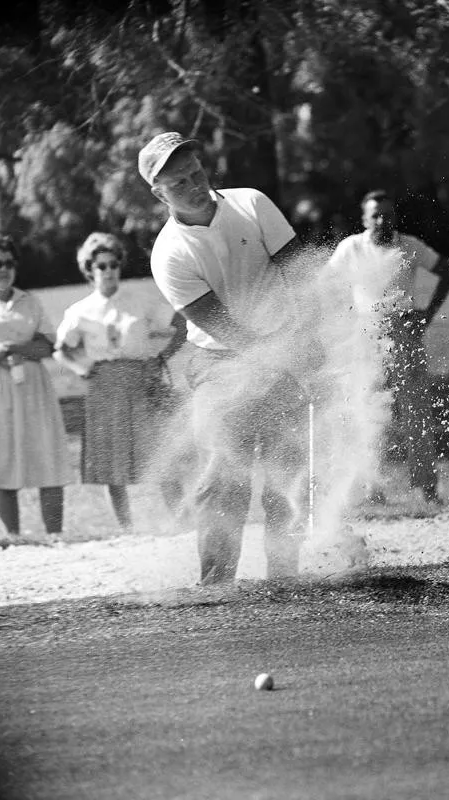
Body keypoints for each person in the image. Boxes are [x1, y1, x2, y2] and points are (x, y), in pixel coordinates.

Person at [138, 131, 320, 584]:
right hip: (220, 363)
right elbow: (220, 324)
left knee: (287, 471)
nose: (194, 185)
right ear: (158, 192)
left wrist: (306, 338)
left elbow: (298, 272)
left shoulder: (252, 204)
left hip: (285, 346)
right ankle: (216, 586)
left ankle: (285, 578)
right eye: (179, 182)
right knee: (222, 474)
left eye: (196, 172)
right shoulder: (169, 254)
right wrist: (279, 354)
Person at [329, 189, 449, 504]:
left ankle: (427, 488)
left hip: (404, 331)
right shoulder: (351, 249)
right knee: (369, 411)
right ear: (364, 219)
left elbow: (446, 271)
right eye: (376, 215)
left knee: (417, 411)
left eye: (388, 214)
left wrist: (427, 314)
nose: (382, 221)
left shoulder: (409, 246)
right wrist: (345, 318)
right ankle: (372, 489)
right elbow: (326, 285)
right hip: (365, 333)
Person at [54, 232, 186, 532]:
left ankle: (182, 522)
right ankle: (127, 527)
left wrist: (161, 357)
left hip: (141, 381)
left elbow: (181, 324)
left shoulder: (139, 302)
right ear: (90, 270)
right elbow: (61, 350)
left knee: (159, 452)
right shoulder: (79, 310)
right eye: (101, 266)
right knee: (112, 458)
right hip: (104, 385)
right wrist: (81, 369)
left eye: (113, 264)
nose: (109, 271)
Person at [0, 234, 72, 536]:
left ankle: (56, 536)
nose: (3, 269)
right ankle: (14, 536)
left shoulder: (30, 302)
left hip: (33, 386)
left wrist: (15, 348)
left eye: (9, 263)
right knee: (2, 459)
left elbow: (48, 346)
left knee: (46, 453)